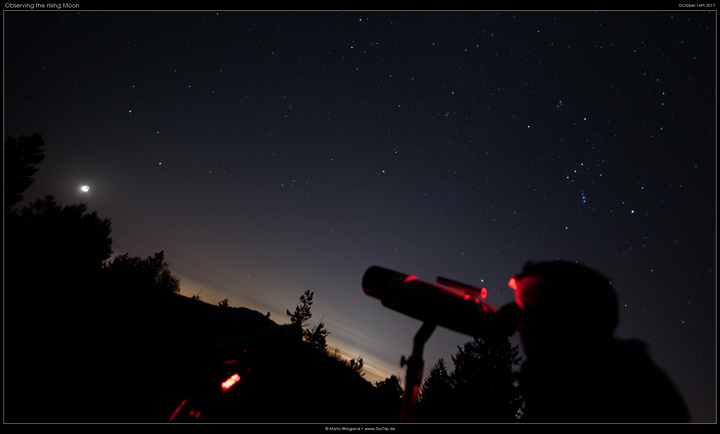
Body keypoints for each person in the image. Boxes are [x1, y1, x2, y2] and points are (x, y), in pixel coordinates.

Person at [506, 260, 690, 423]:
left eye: (527, 304)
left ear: (565, 310)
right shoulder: (564, 375)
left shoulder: (619, 385)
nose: (518, 319)